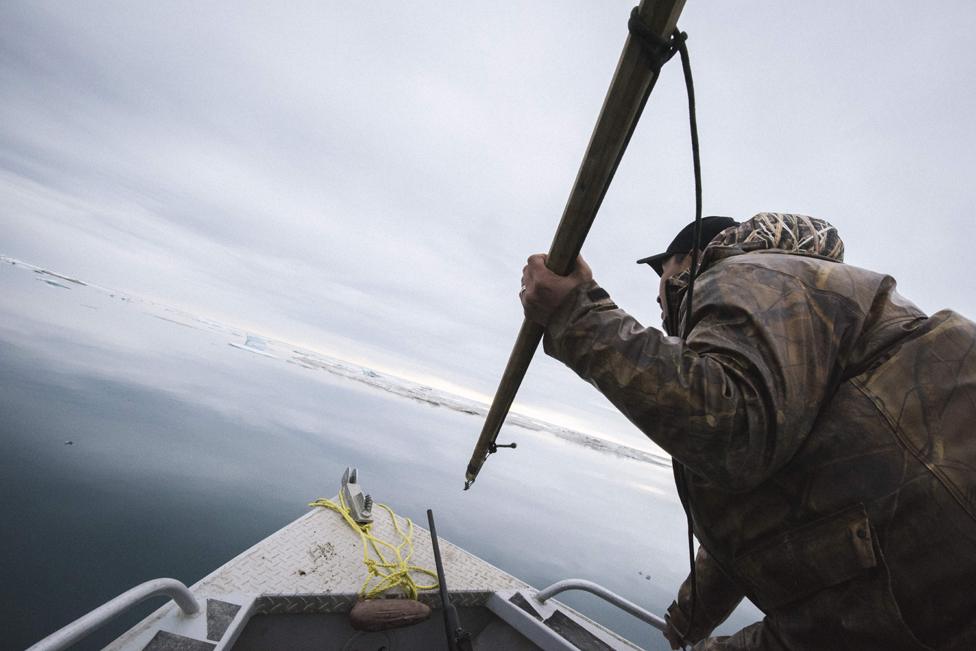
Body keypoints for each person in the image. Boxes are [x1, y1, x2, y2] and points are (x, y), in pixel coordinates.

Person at [519, 212, 976, 650]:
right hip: (894, 590)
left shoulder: (748, 272)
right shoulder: (797, 311)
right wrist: (689, 616)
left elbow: (732, 428)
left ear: (688, 260)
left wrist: (577, 315)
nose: (660, 300)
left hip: (910, 576)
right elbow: (753, 512)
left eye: (662, 273)